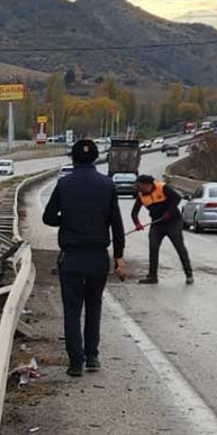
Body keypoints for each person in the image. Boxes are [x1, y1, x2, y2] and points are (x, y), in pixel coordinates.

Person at [42, 139, 126, 377]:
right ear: (96, 158)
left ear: (73, 159)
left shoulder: (64, 184)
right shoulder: (107, 185)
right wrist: (118, 257)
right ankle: (92, 356)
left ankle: (75, 362)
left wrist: (68, 219)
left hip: (72, 257)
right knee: (94, 306)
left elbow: (48, 217)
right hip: (99, 257)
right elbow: (117, 225)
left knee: (72, 310)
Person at [130, 174, 193, 285]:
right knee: (153, 248)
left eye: (139, 186)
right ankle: (152, 277)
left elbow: (177, 198)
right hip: (157, 224)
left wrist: (168, 212)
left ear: (147, 185)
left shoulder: (162, 187)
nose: (138, 189)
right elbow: (134, 213)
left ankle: (189, 274)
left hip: (173, 222)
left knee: (179, 247)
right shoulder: (141, 196)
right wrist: (137, 224)